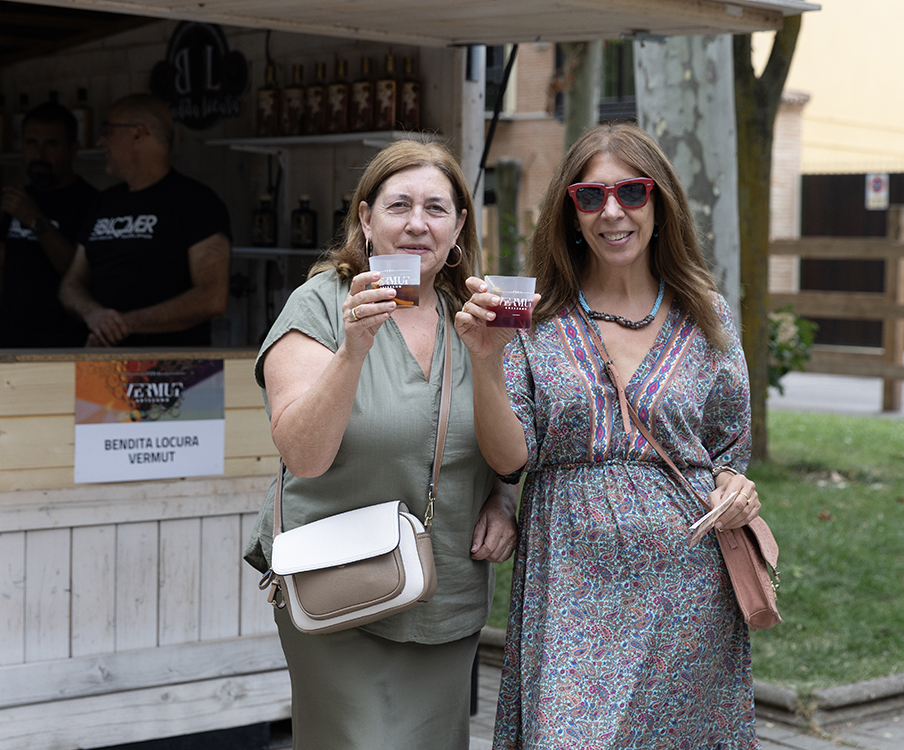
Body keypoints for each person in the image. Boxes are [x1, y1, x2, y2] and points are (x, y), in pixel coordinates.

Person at [456, 122, 763, 748]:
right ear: (570, 212)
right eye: (590, 197)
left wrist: (737, 487)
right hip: (570, 581)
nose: (612, 211)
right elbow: (511, 458)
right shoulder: (535, 319)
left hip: (689, 589)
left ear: (660, 203)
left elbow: (729, 448)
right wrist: (485, 360)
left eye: (632, 192)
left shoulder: (707, 313)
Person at [242, 139, 519, 750]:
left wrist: (503, 499)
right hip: (338, 585)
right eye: (399, 206)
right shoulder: (318, 306)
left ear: (459, 226)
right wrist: (353, 351)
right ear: (366, 219)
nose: (417, 223)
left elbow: (508, 453)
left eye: (436, 208)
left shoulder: (476, 317)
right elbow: (305, 455)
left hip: (443, 589)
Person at [59, 94, 231, 347]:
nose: (100, 141)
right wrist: (93, 314)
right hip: (101, 368)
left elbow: (211, 298)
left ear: (138, 133)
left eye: (107, 131)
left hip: (175, 375)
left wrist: (125, 324)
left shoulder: (197, 202)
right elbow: (71, 283)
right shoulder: (104, 202)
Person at [0, 102, 95, 347]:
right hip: (12, 346)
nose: (39, 155)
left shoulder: (92, 203)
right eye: (31, 143)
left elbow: (82, 277)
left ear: (73, 148)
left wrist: (35, 221)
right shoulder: (16, 199)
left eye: (51, 144)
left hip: (64, 346)